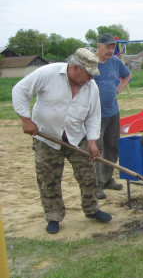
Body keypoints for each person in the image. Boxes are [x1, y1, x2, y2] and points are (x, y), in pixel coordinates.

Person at [12, 48, 113, 234]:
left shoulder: (91, 87)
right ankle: (53, 216)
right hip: (47, 137)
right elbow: (20, 90)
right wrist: (26, 119)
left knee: (88, 174)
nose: (91, 78)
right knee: (48, 178)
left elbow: (93, 116)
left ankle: (92, 209)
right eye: (89, 74)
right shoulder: (47, 73)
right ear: (75, 68)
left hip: (76, 136)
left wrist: (92, 141)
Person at [94, 33, 132, 199]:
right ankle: (97, 185)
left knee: (112, 146)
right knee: (97, 149)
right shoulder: (90, 62)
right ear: (99, 46)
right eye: (108, 47)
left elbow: (127, 75)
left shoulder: (115, 62)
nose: (111, 50)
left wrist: (120, 88)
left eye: (113, 47)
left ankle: (107, 179)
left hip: (113, 112)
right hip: (94, 115)